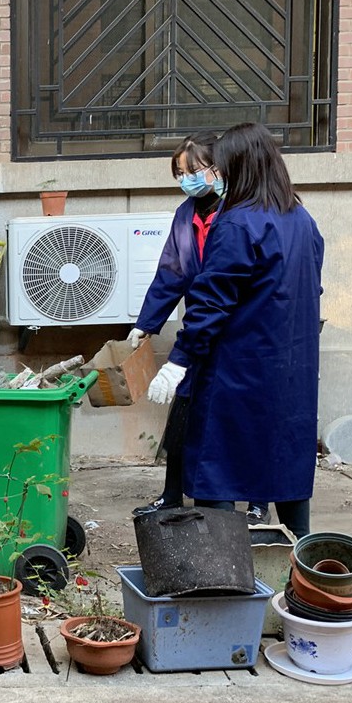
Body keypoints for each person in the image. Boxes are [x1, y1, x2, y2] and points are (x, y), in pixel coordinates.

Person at [146, 123, 323, 540]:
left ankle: (226, 576)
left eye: (223, 168)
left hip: (236, 369)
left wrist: (179, 360)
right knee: (287, 469)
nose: (218, 176)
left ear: (240, 167)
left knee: (219, 471)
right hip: (292, 369)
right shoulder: (302, 219)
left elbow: (210, 304)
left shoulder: (238, 224)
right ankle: (301, 566)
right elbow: (311, 289)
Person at [127, 133, 222, 514]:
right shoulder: (186, 214)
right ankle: (171, 494)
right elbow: (171, 272)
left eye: (193, 171)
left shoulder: (236, 212)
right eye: (181, 173)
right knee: (182, 412)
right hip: (196, 328)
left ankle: (257, 503)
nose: (187, 180)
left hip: (231, 330)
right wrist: (146, 323)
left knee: (235, 419)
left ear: (218, 167)